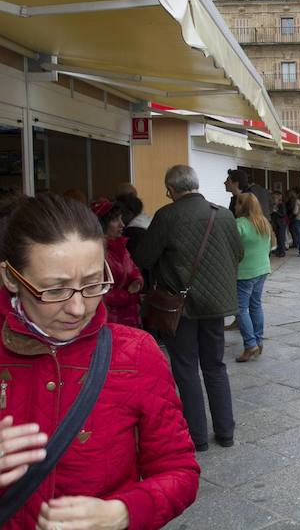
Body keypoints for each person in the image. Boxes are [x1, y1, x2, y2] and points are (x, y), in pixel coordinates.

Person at [0, 193, 200, 529]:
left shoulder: (136, 353)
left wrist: (125, 511)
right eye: (54, 290)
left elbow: (179, 470)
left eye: (93, 284)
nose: (78, 308)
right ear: (10, 279)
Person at [135, 165, 243, 452]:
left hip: (180, 305)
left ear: (172, 189)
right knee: (215, 365)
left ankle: (197, 437)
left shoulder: (166, 216)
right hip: (216, 304)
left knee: (186, 368)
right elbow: (238, 253)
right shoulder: (223, 214)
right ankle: (225, 431)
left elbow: (144, 256)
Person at [89, 199, 143, 327]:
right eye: (115, 220)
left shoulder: (121, 247)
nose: (122, 224)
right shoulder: (95, 254)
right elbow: (100, 292)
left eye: (121, 219)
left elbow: (134, 270)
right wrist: (131, 297)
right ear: (102, 225)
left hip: (130, 318)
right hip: (109, 321)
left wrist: (137, 281)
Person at [234, 193, 273, 363]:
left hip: (244, 272)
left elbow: (232, 247)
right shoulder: (264, 222)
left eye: (237, 203)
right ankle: (258, 340)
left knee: (241, 308)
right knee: (256, 304)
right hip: (262, 269)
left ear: (242, 206)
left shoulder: (240, 224)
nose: (235, 206)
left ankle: (250, 344)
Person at [270, 190, 287, 257]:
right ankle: (279, 250)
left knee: (281, 238)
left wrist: (275, 212)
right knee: (278, 238)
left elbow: (283, 214)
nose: (274, 199)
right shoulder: (274, 205)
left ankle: (282, 252)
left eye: (275, 198)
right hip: (276, 224)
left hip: (281, 223)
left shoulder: (282, 204)